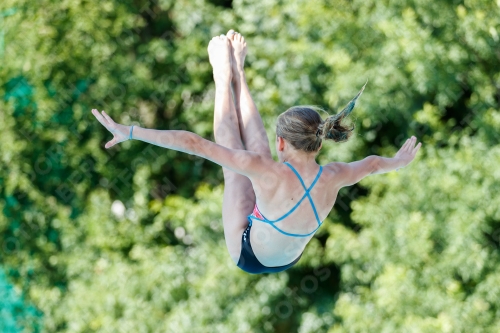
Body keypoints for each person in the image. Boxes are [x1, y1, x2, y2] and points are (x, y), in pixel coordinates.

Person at [91, 30, 422, 274]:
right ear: (319, 142)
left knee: (237, 172)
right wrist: (398, 162)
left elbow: (194, 143)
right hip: (287, 253)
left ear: (282, 143)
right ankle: (239, 73)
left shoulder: (271, 170)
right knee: (256, 164)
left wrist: (130, 132)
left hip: (249, 253)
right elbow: (374, 163)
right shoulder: (335, 175)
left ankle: (225, 78)